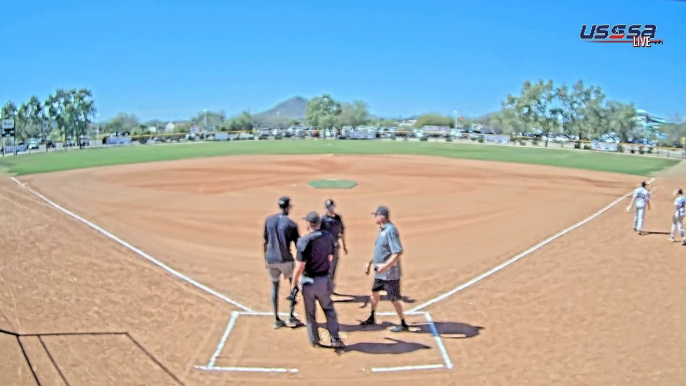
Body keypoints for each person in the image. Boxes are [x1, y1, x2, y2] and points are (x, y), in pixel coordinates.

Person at [291, 211, 345, 349]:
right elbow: (331, 257)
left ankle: (315, 339)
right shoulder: (328, 237)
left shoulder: (304, 241)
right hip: (323, 280)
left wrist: (294, 283)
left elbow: (299, 266)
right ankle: (335, 338)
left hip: (309, 282)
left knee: (310, 314)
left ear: (309, 224)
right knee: (329, 310)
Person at [360, 205, 409, 332]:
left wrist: (385, 266)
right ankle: (372, 317)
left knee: (394, 299)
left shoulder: (390, 231)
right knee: (374, 294)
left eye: (376, 215)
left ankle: (403, 323)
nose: (375, 217)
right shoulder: (381, 230)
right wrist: (370, 262)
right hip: (380, 273)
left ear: (382, 217)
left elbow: (397, 252)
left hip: (390, 274)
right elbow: (380, 251)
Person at [263, 196, 303, 329]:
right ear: (288, 207)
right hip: (285, 259)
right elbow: (298, 246)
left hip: (270, 259)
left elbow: (266, 241)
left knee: (274, 287)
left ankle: (276, 319)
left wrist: (266, 257)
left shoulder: (269, 220)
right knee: (294, 285)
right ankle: (291, 316)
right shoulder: (291, 224)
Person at [320, 199, 347, 293]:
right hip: (326, 248)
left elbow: (341, 232)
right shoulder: (323, 219)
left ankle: (329, 286)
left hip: (335, 246)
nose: (330, 209)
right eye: (328, 207)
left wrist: (344, 246)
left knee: (333, 268)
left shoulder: (338, 218)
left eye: (331, 207)